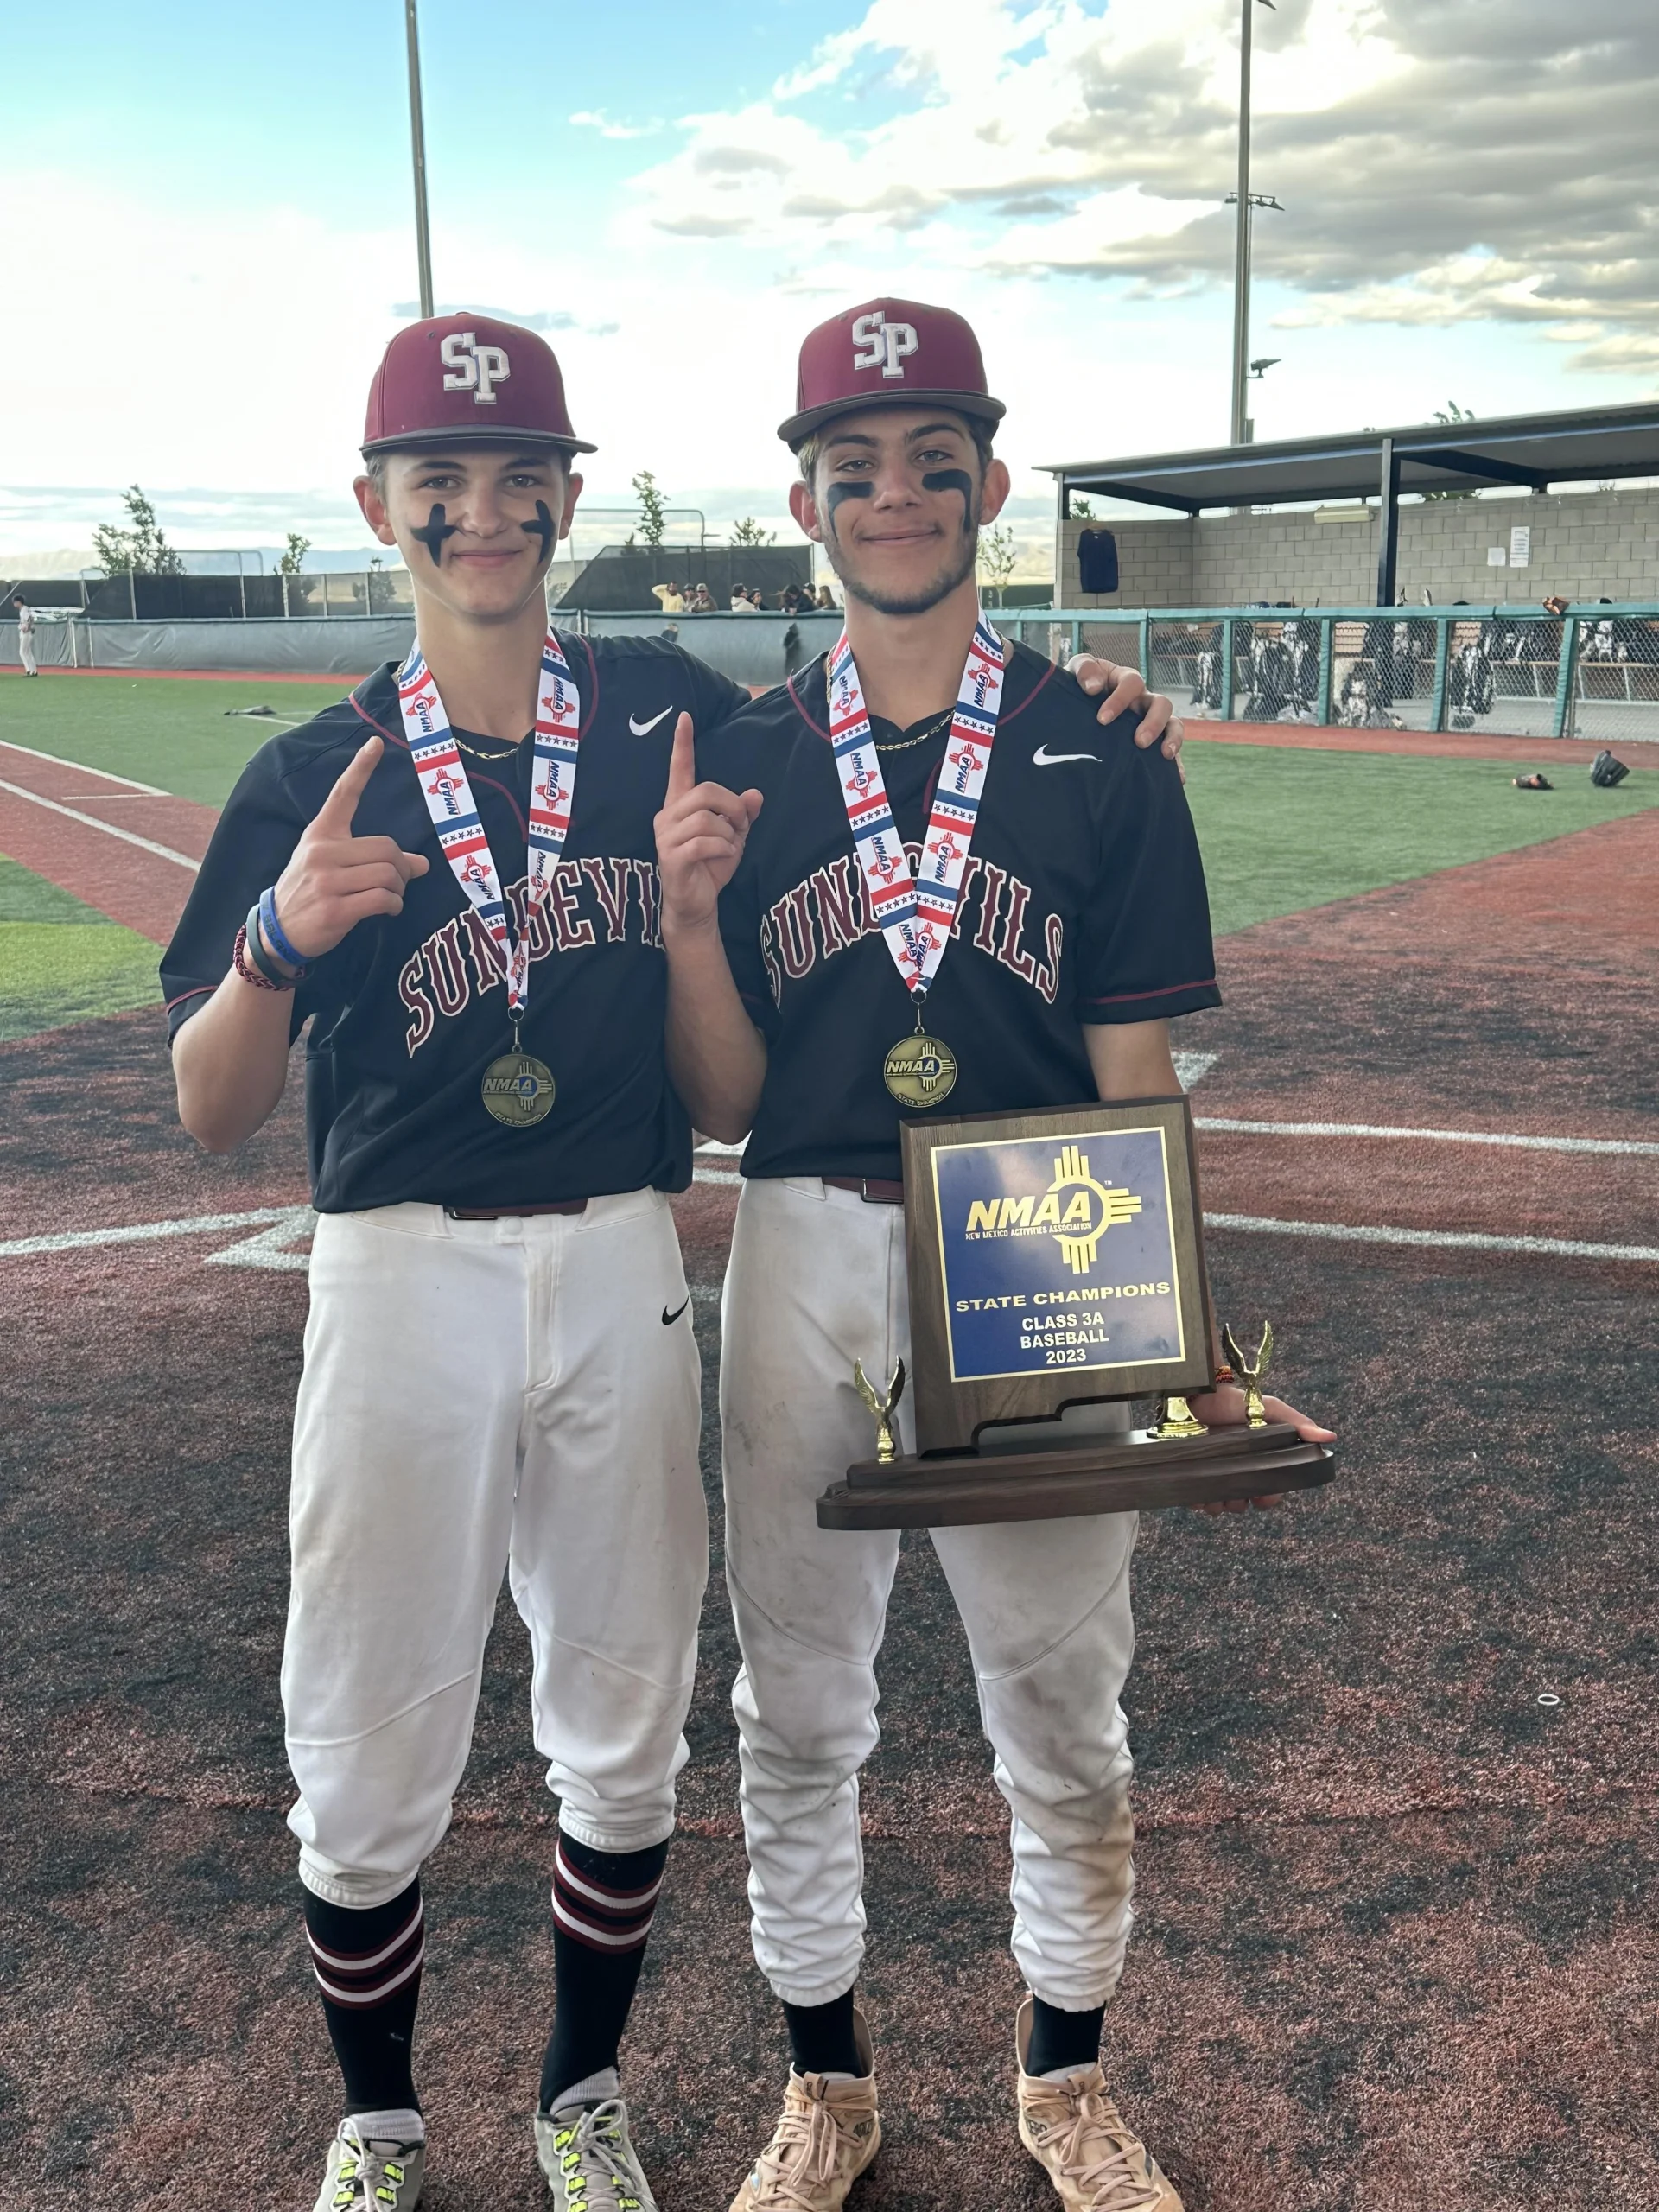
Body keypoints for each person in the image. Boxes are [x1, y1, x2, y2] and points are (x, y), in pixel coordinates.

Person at [158, 309, 1173, 2212]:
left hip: (670, 1244)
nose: (481, 511)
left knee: (633, 1719)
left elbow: (733, 1063)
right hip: (401, 1268)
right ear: (378, 506)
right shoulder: (319, 762)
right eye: (438, 481)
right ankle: (383, 2120)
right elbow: (213, 1107)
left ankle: (586, 2091)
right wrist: (278, 941)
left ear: (563, 494)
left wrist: (1101, 698)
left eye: (515, 475)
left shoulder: (672, 718)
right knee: (376, 1732)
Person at [653, 297, 1333, 2212]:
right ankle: (828, 2082)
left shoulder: (1102, 742)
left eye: (931, 463)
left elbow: (1133, 1067)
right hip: (806, 1238)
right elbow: (722, 1097)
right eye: (854, 467)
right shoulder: (743, 752)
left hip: (1046, 1231)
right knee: (795, 1698)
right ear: (805, 502)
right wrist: (696, 924)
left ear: (991, 488)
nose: (895, 494)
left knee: (1060, 1689)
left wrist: (1184, 1330)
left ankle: (1066, 2075)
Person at [13, 592, 37, 675]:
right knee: (28, 652)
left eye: (15, 602)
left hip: (26, 632)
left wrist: (27, 627)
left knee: (22, 652)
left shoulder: (25, 609)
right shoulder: (23, 610)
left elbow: (29, 619)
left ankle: (29, 670)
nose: (14, 604)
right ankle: (34, 670)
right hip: (26, 631)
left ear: (19, 602)